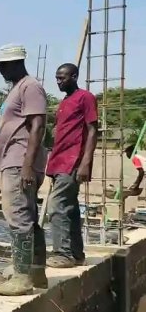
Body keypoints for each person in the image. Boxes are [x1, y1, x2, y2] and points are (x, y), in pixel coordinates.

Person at [0, 44, 48, 296]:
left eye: (3, 64)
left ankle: (22, 278)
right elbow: (12, 128)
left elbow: (38, 127)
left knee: (18, 216)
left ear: (17, 62)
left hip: (20, 162)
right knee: (27, 217)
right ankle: (36, 272)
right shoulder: (16, 89)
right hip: (11, 160)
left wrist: (28, 166)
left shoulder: (30, 87)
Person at [44, 63, 97, 268]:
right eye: (56, 78)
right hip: (59, 160)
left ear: (74, 76)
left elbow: (92, 131)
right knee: (70, 208)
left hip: (73, 160)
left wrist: (86, 163)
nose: (58, 82)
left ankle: (63, 254)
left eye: (62, 78)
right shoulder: (65, 102)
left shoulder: (85, 97)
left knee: (56, 205)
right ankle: (76, 253)